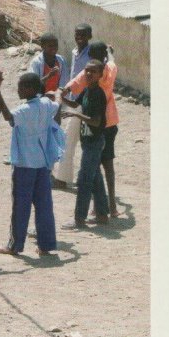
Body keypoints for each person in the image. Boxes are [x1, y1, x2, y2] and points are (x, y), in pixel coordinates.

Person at [0, 70, 59, 256]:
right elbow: (52, 103)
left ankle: (14, 245)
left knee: (21, 206)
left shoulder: (24, 110)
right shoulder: (45, 104)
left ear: (29, 89)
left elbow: (7, 115)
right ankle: (46, 245)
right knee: (44, 205)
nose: (18, 90)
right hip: (42, 163)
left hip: (25, 164)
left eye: (21, 87)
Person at [63, 41, 120, 216]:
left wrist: (63, 92)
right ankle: (109, 207)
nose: (89, 72)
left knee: (89, 172)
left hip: (97, 127)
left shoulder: (91, 81)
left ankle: (88, 213)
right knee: (104, 167)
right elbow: (112, 61)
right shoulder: (108, 69)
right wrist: (110, 53)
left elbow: (74, 83)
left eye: (92, 70)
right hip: (110, 123)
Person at [60, 60, 110, 228]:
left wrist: (75, 115)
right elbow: (76, 104)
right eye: (87, 71)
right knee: (95, 177)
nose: (88, 74)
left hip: (94, 142)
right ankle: (102, 214)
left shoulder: (98, 94)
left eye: (93, 72)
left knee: (84, 179)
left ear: (100, 75)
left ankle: (79, 219)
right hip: (88, 141)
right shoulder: (87, 90)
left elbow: (96, 122)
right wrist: (64, 99)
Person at [53, 23, 92, 188]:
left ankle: (62, 179)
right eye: (77, 35)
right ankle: (73, 178)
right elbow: (73, 75)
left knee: (69, 139)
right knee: (74, 139)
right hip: (72, 100)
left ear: (89, 36)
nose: (79, 38)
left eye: (83, 35)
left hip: (82, 102)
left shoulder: (91, 54)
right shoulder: (75, 52)